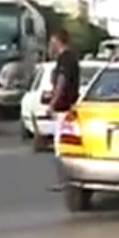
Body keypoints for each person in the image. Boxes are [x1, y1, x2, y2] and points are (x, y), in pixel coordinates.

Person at [48, 28, 80, 191]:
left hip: (64, 108)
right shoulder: (69, 58)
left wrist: (53, 103)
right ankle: (66, 180)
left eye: (51, 42)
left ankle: (64, 180)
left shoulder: (65, 59)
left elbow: (62, 81)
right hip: (67, 106)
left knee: (61, 145)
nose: (50, 46)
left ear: (57, 40)